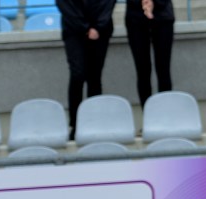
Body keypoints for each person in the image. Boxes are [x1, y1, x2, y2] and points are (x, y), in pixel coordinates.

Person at [56, 0, 117, 139]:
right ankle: (76, 123)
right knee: (78, 74)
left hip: (100, 30)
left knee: (94, 77)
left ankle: (95, 121)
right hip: (74, 31)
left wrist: (98, 27)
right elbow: (64, 4)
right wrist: (85, 28)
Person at [125, 0, 175, 107]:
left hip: (163, 16)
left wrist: (154, 2)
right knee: (143, 71)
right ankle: (147, 115)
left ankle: (166, 114)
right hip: (135, 18)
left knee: (163, 70)